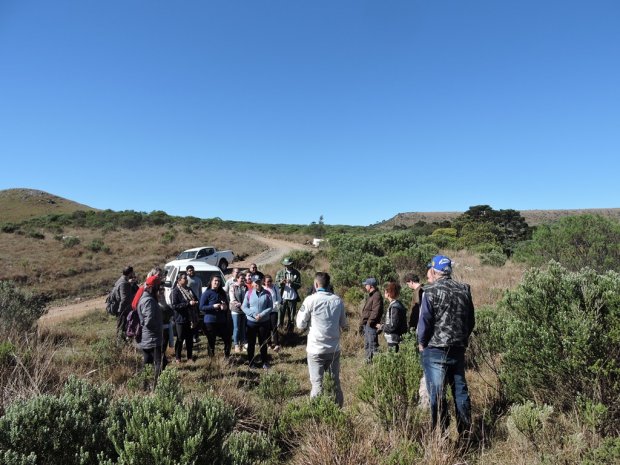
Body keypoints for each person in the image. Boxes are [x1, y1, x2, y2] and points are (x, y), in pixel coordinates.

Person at [418, 255, 475, 438]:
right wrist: (461, 338)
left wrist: (421, 342)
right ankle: (465, 433)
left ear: (434, 271)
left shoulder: (430, 291)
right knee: (460, 391)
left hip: (435, 349)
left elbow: (425, 322)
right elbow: (470, 321)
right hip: (458, 348)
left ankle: (441, 434)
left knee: (437, 394)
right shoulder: (464, 289)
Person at [296, 272, 347, 406]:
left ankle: (316, 414)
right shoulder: (338, 300)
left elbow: (300, 324)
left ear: (316, 284)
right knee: (335, 382)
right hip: (333, 348)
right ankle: (338, 411)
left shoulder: (310, 300)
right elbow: (344, 325)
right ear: (328, 284)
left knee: (317, 384)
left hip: (316, 349)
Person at [242, 272, 273, 369]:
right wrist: (253, 314)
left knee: (263, 343)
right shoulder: (249, 293)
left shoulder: (267, 293)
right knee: (251, 343)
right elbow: (244, 307)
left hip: (264, 322)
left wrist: (262, 314)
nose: (257, 284)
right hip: (251, 322)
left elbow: (270, 307)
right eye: (255, 282)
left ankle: (264, 362)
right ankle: (251, 362)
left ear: (262, 282)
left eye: (259, 282)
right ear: (252, 283)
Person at [137, 274, 165, 379]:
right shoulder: (148, 301)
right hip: (152, 338)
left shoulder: (146, 298)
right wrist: (157, 329)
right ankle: (157, 385)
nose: (159, 289)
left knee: (147, 363)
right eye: (157, 287)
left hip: (148, 337)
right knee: (159, 363)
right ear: (152, 288)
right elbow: (148, 322)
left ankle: (145, 386)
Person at [199, 275, 232, 357]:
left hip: (222, 321)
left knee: (228, 339)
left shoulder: (222, 293)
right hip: (210, 321)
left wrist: (225, 307)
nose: (217, 282)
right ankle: (211, 358)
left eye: (219, 281)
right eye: (215, 281)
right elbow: (201, 307)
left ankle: (227, 356)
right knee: (211, 341)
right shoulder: (207, 293)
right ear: (211, 282)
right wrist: (213, 306)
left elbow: (227, 306)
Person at [171, 272, 199, 362]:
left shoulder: (189, 289)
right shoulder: (175, 291)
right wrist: (188, 303)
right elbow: (175, 305)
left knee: (189, 339)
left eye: (186, 278)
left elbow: (195, 298)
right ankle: (178, 357)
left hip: (190, 318)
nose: (186, 280)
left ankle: (189, 357)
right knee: (180, 338)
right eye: (184, 278)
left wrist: (195, 302)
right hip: (180, 318)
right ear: (179, 280)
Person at [377, 281, 407, 352]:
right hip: (395, 337)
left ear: (388, 293)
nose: (384, 293)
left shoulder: (395, 307)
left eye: (385, 291)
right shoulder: (396, 304)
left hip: (394, 338)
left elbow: (393, 326)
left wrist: (381, 326)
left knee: (393, 358)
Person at [359, 277, 383, 363]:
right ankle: (368, 364)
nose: (365, 286)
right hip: (368, 325)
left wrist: (369, 323)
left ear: (371, 286)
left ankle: (379, 365)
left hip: (371, 326)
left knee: (373, 347)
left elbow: (375, 312)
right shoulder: (372, 295)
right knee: (368, 345)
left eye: (366, 284)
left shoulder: (376, 295)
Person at [276, 257, 302, 332]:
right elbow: (276, 284)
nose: (286, 266)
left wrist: (292, 283)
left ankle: (290, 331)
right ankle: (279, 331)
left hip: (293, 297)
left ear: (291, 264)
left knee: (292, 316)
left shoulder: (296, 273)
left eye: (288, 264)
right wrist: (281, 283)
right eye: (285, 264)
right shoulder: (280, 272)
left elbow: (299, 285)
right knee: (280, 314)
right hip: (283, 297)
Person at [228, 272, 248, 353]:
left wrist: (245, 306)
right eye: (241, 278)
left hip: (244, 310)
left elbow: (248, 298)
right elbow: (232, 299)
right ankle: (236, 344)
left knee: (243, 327)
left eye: (244, 278)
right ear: (238, 279)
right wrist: (240, 305)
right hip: (236, 310)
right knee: (236, 328)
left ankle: (243, 344)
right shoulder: (233, 287)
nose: (243, 280)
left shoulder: (245, 287)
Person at [115, 266, 137, 339]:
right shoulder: (124, 283)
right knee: (122, 329)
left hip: (122, 309)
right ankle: (121, 346)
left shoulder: (121, 280)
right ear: (130, 273)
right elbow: (124, 299)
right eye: (133, 272)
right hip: (124, 311)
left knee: (122, 329)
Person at [263, 274, 282, 352]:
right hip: (265, 311)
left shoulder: (275, 287)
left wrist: (278, 304)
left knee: (274, 328)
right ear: (264, 282)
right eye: (267, 282)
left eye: (270, 281)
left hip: (274, 310)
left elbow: (279, 297)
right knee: (267, 328)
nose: (269, 283)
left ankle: (277, 344)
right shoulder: (263, 289)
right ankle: (269, 344)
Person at [186, 265, 203, 343]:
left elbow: (200, 292)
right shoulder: (185, 280)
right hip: (188, 303)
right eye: (189, 270)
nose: (191, 272)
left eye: (192, 270)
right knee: (189, 320)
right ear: (187, 272)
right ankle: (188, 336)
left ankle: (195, 336)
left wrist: (200, 301)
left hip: (196, 303)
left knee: (196, 320)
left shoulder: (198, 280)